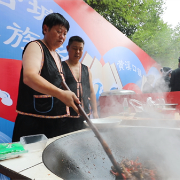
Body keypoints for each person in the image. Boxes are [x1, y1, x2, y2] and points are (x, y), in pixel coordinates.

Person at [12, 13, 81, 142]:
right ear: (45, 29)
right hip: (35, 123)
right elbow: (29, 77)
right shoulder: (36, 46)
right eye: (59, 31)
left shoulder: (57, 56)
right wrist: (60, 94)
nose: (62, 36)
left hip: (55, 122)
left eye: (65, 33)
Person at [62, 36, 99, 130]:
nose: (77, 52)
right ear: (67, 48)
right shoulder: (60, 67)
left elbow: (91, 92)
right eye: (74, 48)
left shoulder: (86, 69)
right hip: (66, 116)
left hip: (85, 115)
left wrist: (95, 112)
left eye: (80, 49)